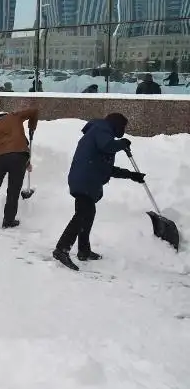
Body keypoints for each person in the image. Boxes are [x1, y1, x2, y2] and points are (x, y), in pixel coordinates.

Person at [53, 113, 144, 271]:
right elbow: (107, 146)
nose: (123, 130)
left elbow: (106, 168)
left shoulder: (100, 133)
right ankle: (61, 249)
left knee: (87, 214)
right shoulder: (102, 129)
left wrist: (131, 175)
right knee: (83, 213)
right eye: (123, 127)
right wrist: (121, 143)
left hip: (86, 178)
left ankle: (83, 250)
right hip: (85, 179)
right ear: (116, 124)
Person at [0, 107, 38, 228]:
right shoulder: (14, 116)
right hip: (18, 156)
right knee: (13, 190)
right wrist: (32, 127)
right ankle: (8, 221)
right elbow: (34, 112)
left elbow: (8, 146)